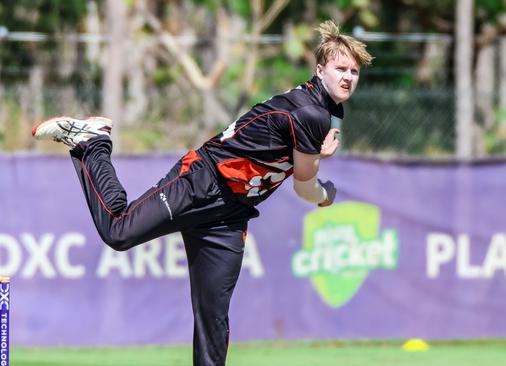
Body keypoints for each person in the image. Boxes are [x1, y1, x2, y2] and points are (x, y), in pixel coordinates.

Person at [32, 20, 372, 366]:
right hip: (201, 181)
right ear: (319, 70)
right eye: (340, 68)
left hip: (229, 216)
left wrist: (313, 156)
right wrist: (324, 193)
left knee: (213, 319)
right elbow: (304, 185)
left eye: (354, 71)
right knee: (118, 230)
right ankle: (93, 143)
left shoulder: (326, 110)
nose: (348, 77)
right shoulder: (312, 112)